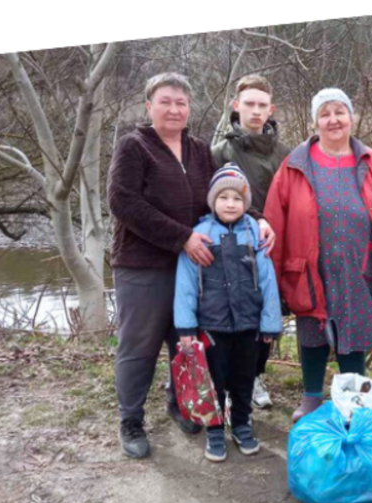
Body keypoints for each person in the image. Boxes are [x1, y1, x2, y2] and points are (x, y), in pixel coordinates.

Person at [107, 72, 274, 458]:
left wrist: (257, 218)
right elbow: (123, 201)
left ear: (189, 108)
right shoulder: (134, 146)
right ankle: (130, 420)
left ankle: (179, 403)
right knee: (139, 345)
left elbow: (221, 198)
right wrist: (181, 237)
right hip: (144, 264)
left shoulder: (199, 149)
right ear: (149, 106)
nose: (174, 109)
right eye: (165, 101)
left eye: (181, 103)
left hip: (198, 267)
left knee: (185, 343)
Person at [264, 88, 372, 422]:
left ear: (351, 117)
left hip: (360, 264)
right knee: (312, 329)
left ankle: (355, 397)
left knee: (354, 332)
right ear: (315, 121)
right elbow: (275, 216)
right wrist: (274, 269)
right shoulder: (295, 164)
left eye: (339, 112)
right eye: (325, 113)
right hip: (311, 264)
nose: (333, 120)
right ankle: (312, 397)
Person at [173, 165, 281, 461]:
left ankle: (243, 423)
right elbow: (185, 284)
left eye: (237, 197)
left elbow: (269, 281)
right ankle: (215, 429)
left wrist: (270, 324)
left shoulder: (254, 234)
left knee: (245, 378)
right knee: (215, 381)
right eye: (224, 197)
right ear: (212, 201)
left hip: (249, 326)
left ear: (245, 203)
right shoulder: (200, 235)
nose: (230, 203)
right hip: (212, 325)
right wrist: (185, 328)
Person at [211, 74, 292, 410]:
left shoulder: (287, 154)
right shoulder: (219, 152)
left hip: (276, 247)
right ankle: (226, 385)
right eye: (249, 104)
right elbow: (212, 201)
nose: (256, 111)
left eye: (262, 105)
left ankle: (255, 375)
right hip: (232, 250)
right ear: (236, 106)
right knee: (233, 318)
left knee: (268, 316)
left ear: (271, 109)